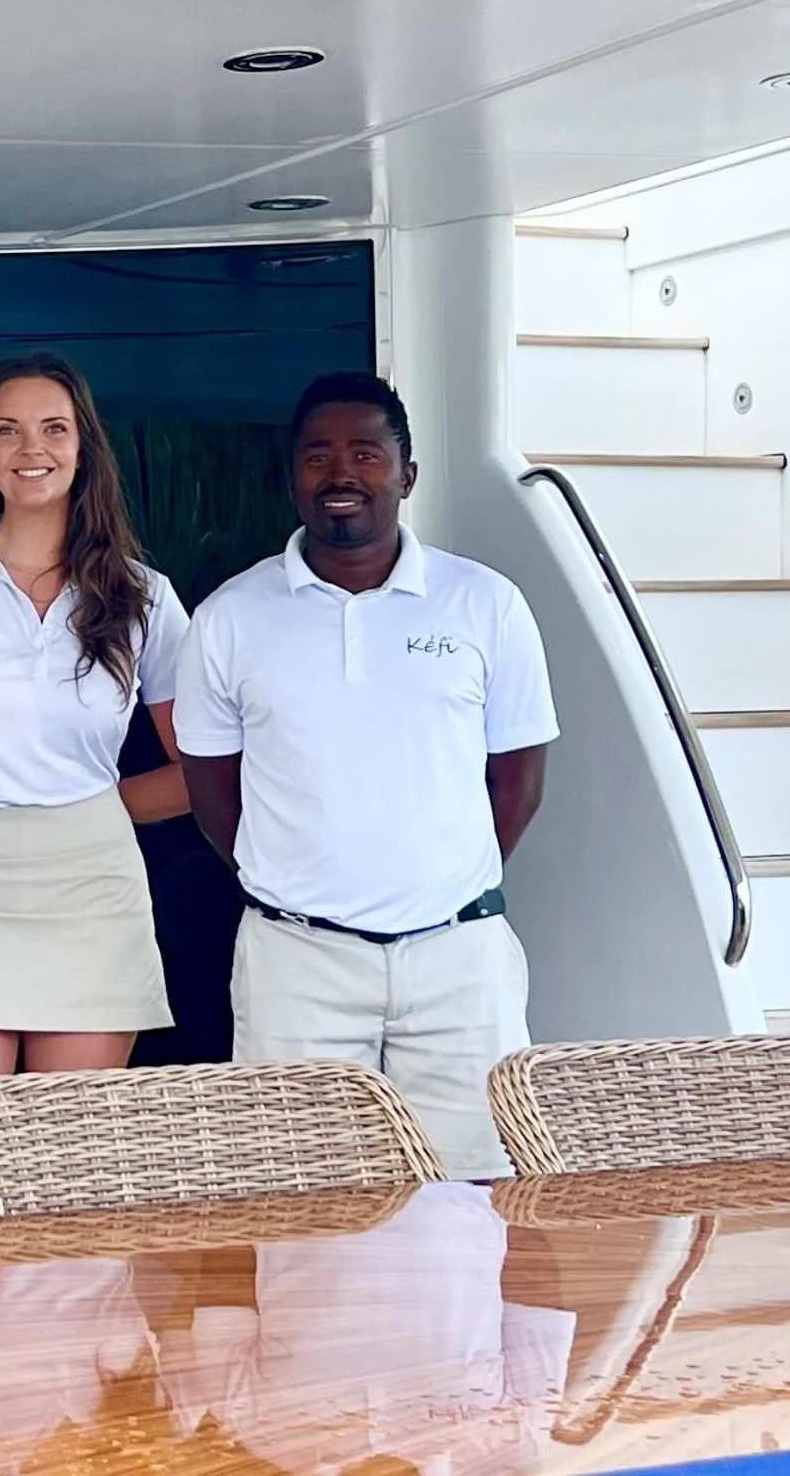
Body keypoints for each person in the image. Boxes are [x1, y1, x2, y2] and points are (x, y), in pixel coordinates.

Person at [175, 371, 556, 1180]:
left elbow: (517, 779)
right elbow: (212, 792)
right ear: (292, 476)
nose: (341, 474)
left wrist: (439, 883)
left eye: (365, 454)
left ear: (406, 474)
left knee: (476, 1198)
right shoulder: (231, 618)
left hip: (459, 959)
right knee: (304, 1204)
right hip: (296, 960)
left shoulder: (485, 605)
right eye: (318, 456)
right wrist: (302, 875)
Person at [0, 352, 191, 1119]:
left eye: (54, 429)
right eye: (10, 430)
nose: (33, 449)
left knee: (67, 1173)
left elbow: (204, 768)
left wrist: (90, 812)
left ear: (84, 447)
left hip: (92, 885)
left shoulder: (143, 596)